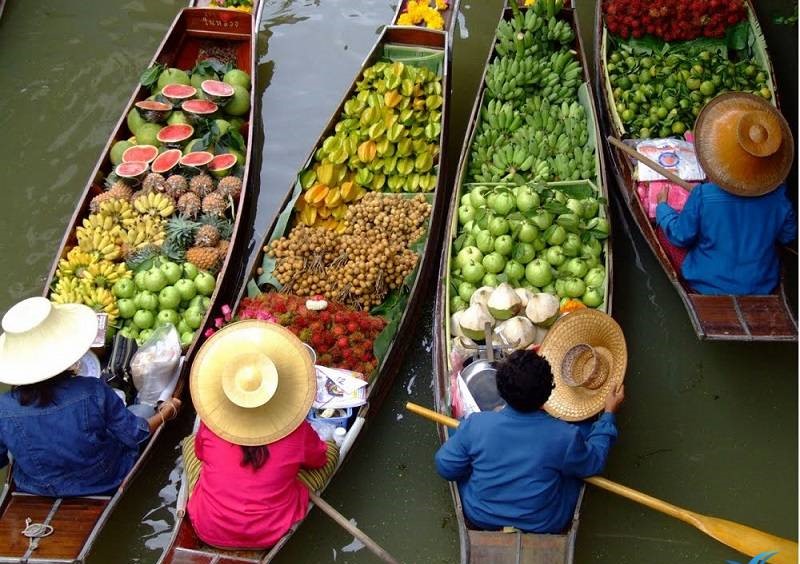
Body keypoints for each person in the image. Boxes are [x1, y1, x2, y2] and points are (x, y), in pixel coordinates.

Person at [435, 309, 626, 534]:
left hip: (481, 515)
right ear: (548, 395)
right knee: (581, 446)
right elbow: (593, 463)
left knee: (462, 442)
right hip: (546, 522)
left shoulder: (476, 425)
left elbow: (445, 467)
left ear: (502, 393)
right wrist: (608, 416)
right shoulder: (565, 435)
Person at [0, 297, 181, 497]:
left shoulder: (3, 407)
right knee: (143, 409)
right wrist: (166, 412)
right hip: (103, 480)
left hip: (37, 488)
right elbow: (134, 435)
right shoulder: (92, 390)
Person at [186, 320, 334, 549]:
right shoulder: (297, 432)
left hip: (208, 527)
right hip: (272, 532)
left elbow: (200, 453)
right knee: (331, 451)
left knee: (190, 446)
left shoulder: (212, 425)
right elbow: (320, 460)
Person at [655, 92, 797, 295]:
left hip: (706, 282)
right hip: (762, 284)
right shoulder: (780, 199)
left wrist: (663, 208)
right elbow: (787, 237)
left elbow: (680, 236)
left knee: (664, 230)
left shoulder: (704, 195)